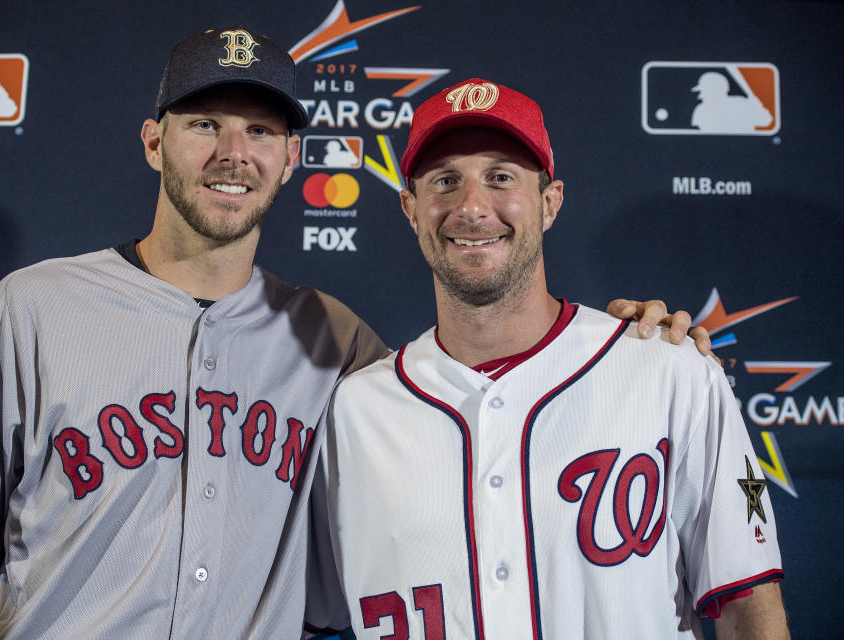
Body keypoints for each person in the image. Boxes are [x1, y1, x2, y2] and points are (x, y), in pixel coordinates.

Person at [0, 28, 710, 639]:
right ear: (153, 142)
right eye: (204, 123)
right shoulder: (34, 307)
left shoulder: (340, 345)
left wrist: (635, 345)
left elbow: (483, 423)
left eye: (259, 132)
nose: (232, 153)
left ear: (292, 159)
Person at [308, 79, 789, 639]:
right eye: (445, 181)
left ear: (549, 202)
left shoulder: (669, 371)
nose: (471, 206)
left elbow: (749, 606)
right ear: (411, 209)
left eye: (500, 177)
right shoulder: (354, 411)